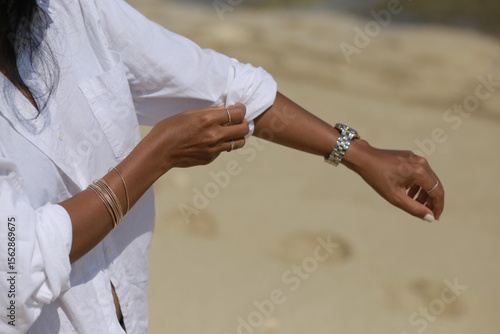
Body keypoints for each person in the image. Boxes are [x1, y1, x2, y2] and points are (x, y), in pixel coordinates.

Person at [0, 0, 444, 333]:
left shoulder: (72, 10)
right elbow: (18, 264)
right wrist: (157, 155)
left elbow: (223, 86)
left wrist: (358, 154)